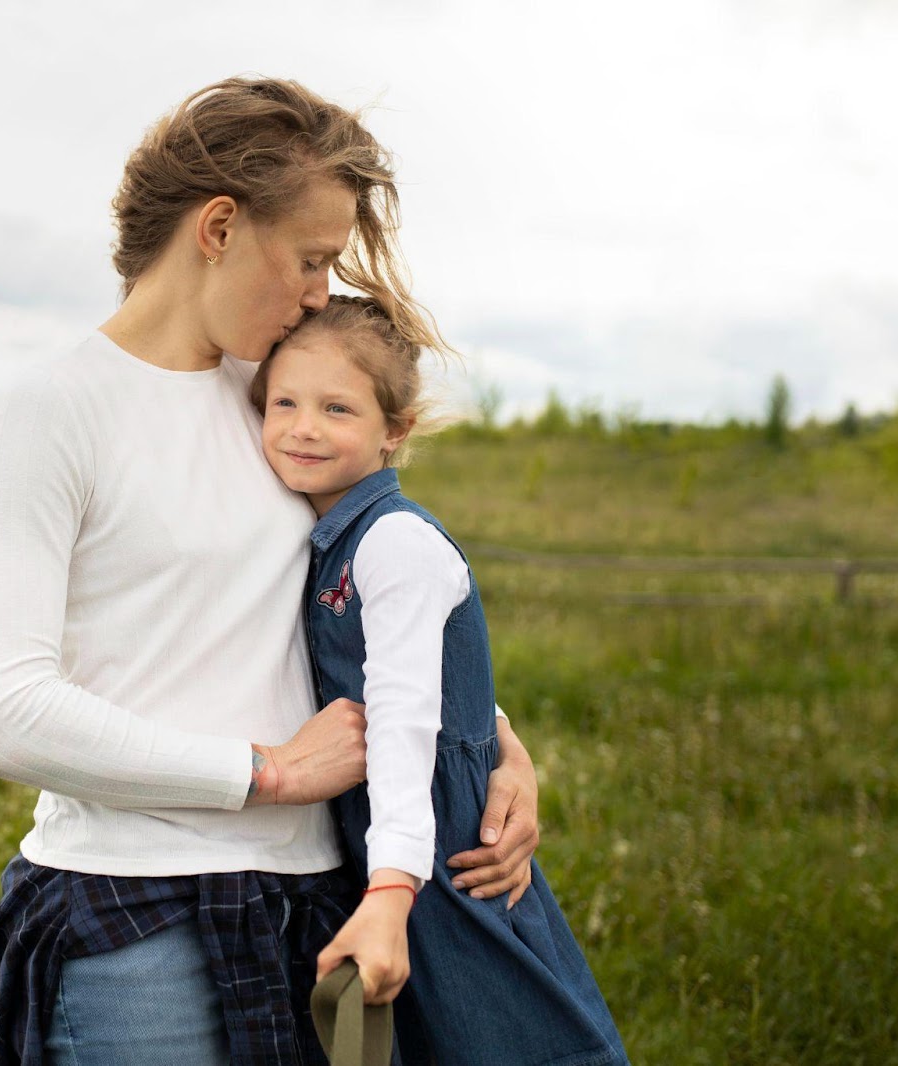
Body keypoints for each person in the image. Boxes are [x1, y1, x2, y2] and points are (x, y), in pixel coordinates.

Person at [0, 77, 544, 1065]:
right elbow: (0, 710)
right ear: (219, 226)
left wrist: (486, 742)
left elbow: (368, 598)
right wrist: (265, 773)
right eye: (310, 258)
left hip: (314, 900)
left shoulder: (281, 402)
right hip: (134, 916)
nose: (321, 292)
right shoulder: (51, 409)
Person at [252, 295, 629, 1065]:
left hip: (442, 853)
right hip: (382, 843)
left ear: (396, 430)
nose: (303, 427)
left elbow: (404, 715)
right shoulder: (327, 536)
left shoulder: (393, 541)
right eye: (283, 402)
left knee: (507, 1041)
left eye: (337, 408)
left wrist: (393, 888)